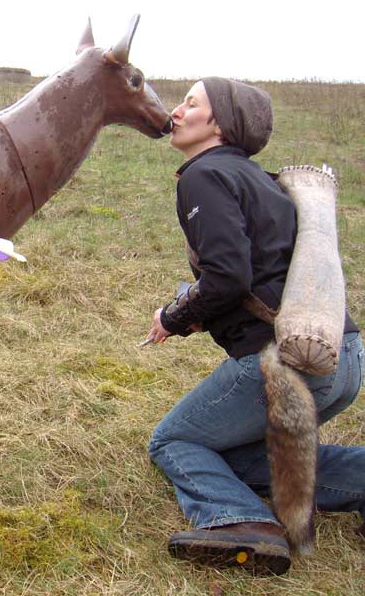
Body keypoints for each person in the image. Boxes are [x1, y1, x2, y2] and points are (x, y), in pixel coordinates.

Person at [146, 77, 364, 575]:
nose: (176, 112)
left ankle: (239, 521)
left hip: (284, 365)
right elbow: (258, 274)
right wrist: (200, 312)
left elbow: (228, 276)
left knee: (175, 441)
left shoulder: (203, 175)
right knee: (241, 459)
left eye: (191, 104)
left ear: (219, 122)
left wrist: (172, 318)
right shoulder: (255, 176)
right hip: (341, 354)